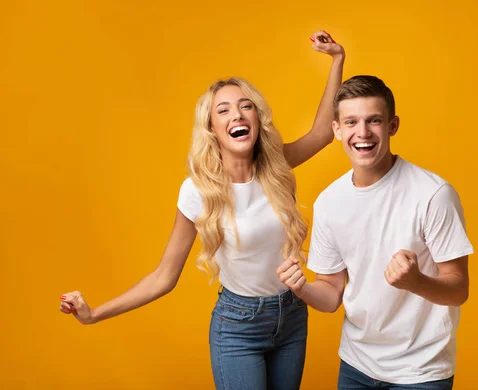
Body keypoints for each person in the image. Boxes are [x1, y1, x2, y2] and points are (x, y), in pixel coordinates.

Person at [59, 30, 345, 390]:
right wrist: (95, 314)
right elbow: (164, 276)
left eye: (245, 106)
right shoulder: (199, 191)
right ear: (212, 129)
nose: (236, 114)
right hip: (238, 327)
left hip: (291, 316)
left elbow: (321, 133)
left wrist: (337, 60)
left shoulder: (277, 166)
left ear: (256, 119)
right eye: (222, 110)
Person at [277, 75, 474, 389]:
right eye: (351, 122)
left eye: (374, 121)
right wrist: (302, 289)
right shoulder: (329, 202)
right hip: (356, 366)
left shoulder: (434, 194)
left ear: (392, 125)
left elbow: (458, 289)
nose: (363, 133)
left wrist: (416, 281)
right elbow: (330, 294)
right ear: (337, 129)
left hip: (421, 371)